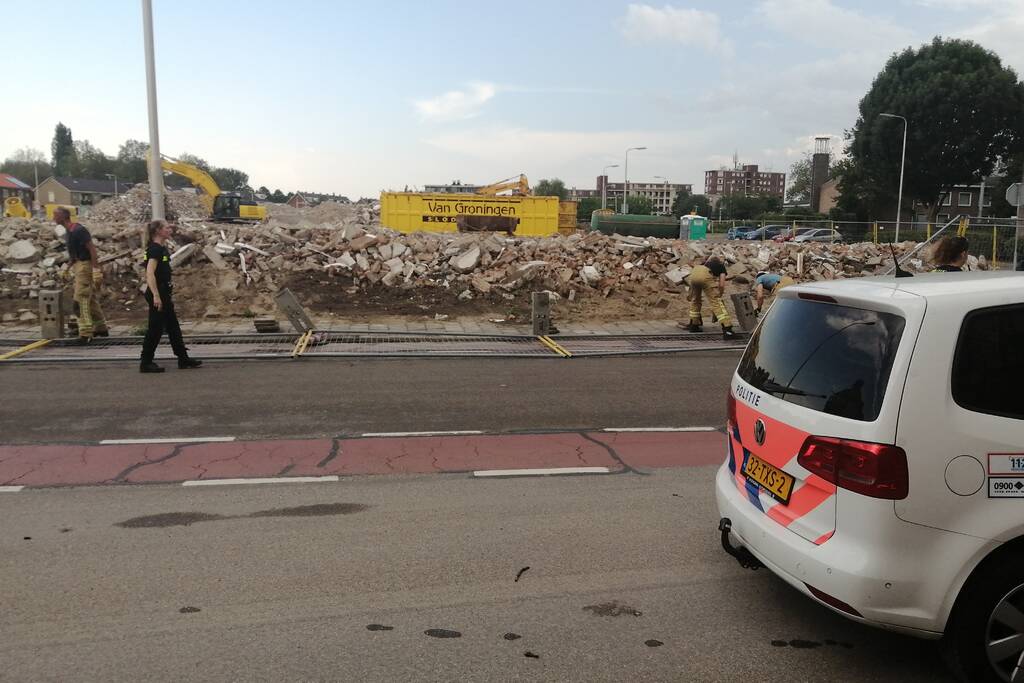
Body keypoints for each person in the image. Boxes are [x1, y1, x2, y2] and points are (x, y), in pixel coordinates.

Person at [140, 220, 202, 373]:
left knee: (173, 327)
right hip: (158, 293)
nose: (170, 229)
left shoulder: (161, 248)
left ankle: (183, 358)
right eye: (167, 227)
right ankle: (146, 362)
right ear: (158, 231)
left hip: (164, 292)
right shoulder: (155, 249)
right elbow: (149, 273)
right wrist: (156, 295)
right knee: (155, 329)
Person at [55, 207, 108, 344]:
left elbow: (91, 249)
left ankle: (85, 333)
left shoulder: (79, 230)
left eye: (55, 215)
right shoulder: (69, 232)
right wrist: (67, 268)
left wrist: (96, 269)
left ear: (63, 217)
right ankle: (101, 328)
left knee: (80, 300)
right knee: (90, 300)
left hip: (85, 265)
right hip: (79, 265)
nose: (53, 218)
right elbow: (73, 254)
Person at [683, 255, 737, 339]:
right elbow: (722, 284)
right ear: (720, 261)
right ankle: (728, 330)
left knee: (695, 300)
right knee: (716, 303)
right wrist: (719, 294)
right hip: (704, 276)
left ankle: (694, 325)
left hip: (694, 273)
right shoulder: (721, 266)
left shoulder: (706, 264)